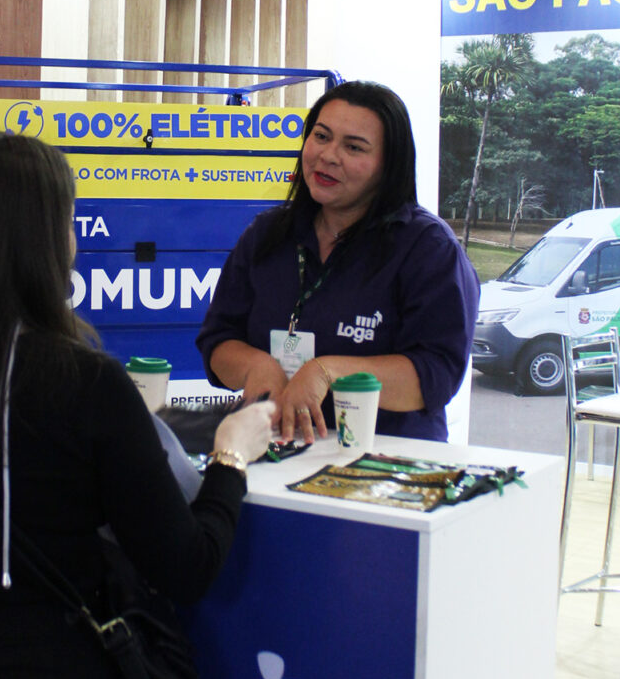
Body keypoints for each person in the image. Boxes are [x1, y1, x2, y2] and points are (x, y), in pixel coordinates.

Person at [0, 131, 274, 679]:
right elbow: (186, 567)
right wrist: (231, 455)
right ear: (48, 239)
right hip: (53, 674)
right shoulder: (86, 384)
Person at [196, 81, 479, 444]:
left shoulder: (428, 248)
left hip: (387, 461)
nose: (328, 156)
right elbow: (218, 340)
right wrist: (256, 366)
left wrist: (328, 372)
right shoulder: (267, 234)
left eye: (354, 147)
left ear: (389, 165)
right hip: (276, 451)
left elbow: (436, 373)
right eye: (321, 136)